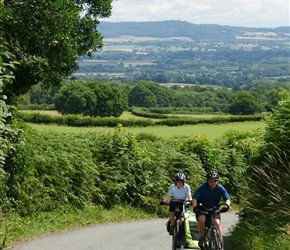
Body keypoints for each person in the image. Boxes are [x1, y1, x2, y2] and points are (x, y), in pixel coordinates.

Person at [192, 170, 230, 249]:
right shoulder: (202, 187)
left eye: (215, 180)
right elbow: (195, 198)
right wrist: (195, 208)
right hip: (203, 208)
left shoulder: (220, 188)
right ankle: (202, 237)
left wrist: (226, 205)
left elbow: (227, 198)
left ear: (217, 180)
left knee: (217, 223)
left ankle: (220, 244)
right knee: (202, 220)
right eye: (211, 180)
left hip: (214, 208)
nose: (213, 182)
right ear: (207, 181)